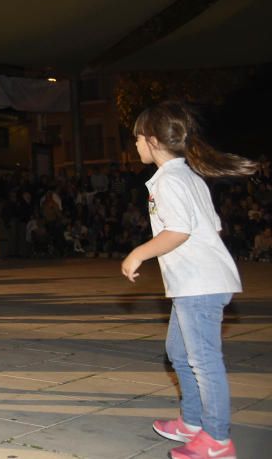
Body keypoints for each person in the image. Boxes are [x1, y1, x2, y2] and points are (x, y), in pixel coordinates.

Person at [121, 101, 255, 459]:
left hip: (200, 284)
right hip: (197, 282)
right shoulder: (188, 176)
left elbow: (179, 230)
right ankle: (192, 422)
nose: (134, 145)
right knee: (178, 352)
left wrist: (139, 253)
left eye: (136, 139)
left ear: (151, 140)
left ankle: (217, 439)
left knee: (203, 360)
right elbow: (212, 225)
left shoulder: (170, 181)